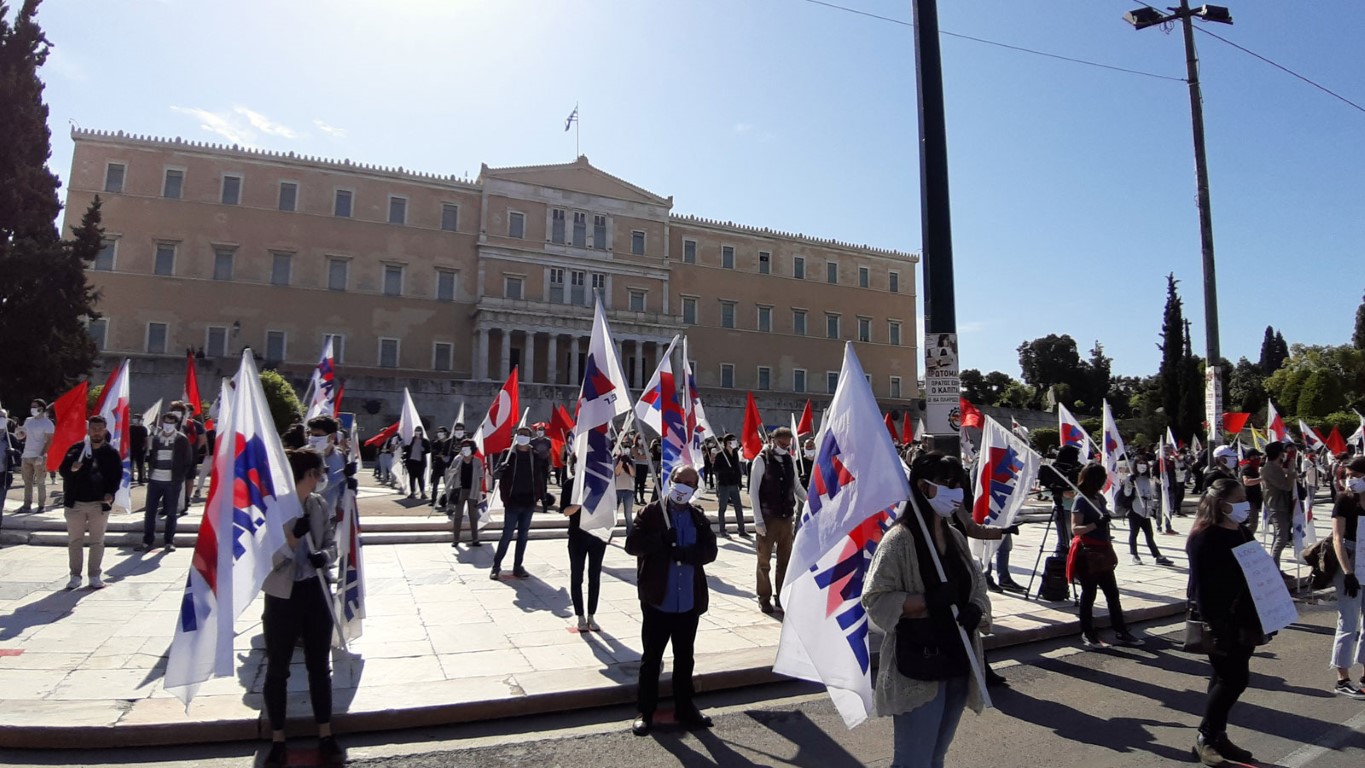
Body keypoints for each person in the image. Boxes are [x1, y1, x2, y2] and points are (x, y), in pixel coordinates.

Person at [862, 452, 991, 768]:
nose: (956, 492)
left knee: (936, 757)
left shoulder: (956, 537)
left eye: (958, 484)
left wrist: (976, 609)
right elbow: (876, 599)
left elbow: (978, 587)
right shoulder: (899, 540)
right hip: (919, 665)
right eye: (947, 483)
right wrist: (927, 600)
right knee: (913, 760)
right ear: (923, 486)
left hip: (958, 660)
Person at [261, 449, 342, 768]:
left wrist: (326, 557)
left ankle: (325, 733)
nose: (323, 477)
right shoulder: (275, 507)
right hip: (283, 595)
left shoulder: (318, 504)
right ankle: (278, 739)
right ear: (309, 474)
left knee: (319, 665)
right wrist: (293, 539)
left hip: (315, 592)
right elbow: (265, 557)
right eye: (320, 472)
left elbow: (332, 543)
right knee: (278, 667)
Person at [624, 465, 718, 737]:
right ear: (670, 481)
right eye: (679, 481)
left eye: (689, 484)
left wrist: (686, 554)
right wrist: (660, 540)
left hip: (687, 601)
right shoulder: (651, 513)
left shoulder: (697, 517)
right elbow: (632, 545)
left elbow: (710, 551)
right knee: (652, 658)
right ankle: (646, 711)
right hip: (658, 600)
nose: (683, 488)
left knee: (684, 657)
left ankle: (685, 707)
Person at [1187, 478, 1261, 765]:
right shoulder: (1204, 537)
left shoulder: (1242, 532)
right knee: (1235, 679)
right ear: (1222, 504)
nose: (1246, 504)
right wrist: (1214, 625)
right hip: (1219, 620)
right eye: (1239, 499)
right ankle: (1206, 737)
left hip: (1245, 617)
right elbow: (1200, 588)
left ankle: (1217, 736)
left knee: (1223, 678)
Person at [1068, 463, 1143, 648]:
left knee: (1112, 593)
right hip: (1088, 553)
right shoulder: (1081, 500)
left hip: (1103, 551)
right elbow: (1075, 529)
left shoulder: (1099, 498)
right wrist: (1096, 524)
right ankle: (1088, 632)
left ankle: (1121, 630)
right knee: (1089, 594)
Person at [57, 416, 123, 590]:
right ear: (88, 430)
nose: (96, 432)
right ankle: (75, 576)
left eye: (100, 429)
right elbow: (63, 470)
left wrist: (110, 493)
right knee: (75, 541)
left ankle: (94, 575)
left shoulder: (111, 453)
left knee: (97, 541)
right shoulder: (77, 449)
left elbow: (116, 476)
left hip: (98, 504)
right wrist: (72, 469)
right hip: (75, 504)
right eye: (93, 428)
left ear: (105, 430)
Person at [749, 427, 807, 614]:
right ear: (772, 440)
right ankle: (764, 597)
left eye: (787, 443)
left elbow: (796, 486)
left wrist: (810, 501)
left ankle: (781, 597)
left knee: (784, 561)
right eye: (781, 443)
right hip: (768, 518)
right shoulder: (761, 460)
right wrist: (758, 521)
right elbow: (753, 492)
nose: (785, 446)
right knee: (764, 561)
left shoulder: (790, 460)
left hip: (786, 518)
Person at [490, 426, 548, 580]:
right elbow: (496, 474)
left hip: (528, 502)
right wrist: (501, 469)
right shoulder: (508, 453)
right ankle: (496, 566)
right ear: (515, 436)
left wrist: (541, 497)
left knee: (523, 536)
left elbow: (539, 477)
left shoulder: (534, 455)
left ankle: (518, 566)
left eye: (526, 435)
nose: (523, 437)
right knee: (507, 535)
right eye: (520, 434)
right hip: (512, 501)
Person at [1328, 456, 1365, 699]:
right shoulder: (1344, 500)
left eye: (1356, 476)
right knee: (1348, 621)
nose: (1350, 480)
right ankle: (1342, 678)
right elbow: (1337, 538)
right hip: (1350, 559)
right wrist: (1348, 572)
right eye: (1348, 476)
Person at [561, 455, 607, 632]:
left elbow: (608, 508)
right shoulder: (570, 484)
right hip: (577, 537)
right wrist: (579, 503)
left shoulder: (601, 484)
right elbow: (566, 511)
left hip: (597, 537)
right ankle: (580, 615)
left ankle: (591, 615)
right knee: (577, 576)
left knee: (594, 577)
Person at [136, 412, 194, 553]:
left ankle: (169, 541)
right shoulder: (156, 438)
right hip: (155, 480)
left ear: (176, 424)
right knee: (150, 512)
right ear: (162, 423)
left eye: (171, 423)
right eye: (166, 422)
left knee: (171, 513)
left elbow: (187, 460)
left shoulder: (181, 439)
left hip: (172, 482)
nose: (168, 425)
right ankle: (147, 541)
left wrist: (179, 476)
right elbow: (151, 455)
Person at [1117, 457, 1173, 566]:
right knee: (1134, 533)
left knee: (1149, 534)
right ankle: (1134, 555)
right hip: (1135, 510)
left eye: (1144, 463)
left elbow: (1150, 494)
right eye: (1140, 463)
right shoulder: (1131, 478)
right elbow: (1127, 493)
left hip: (1146, 511)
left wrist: (1152, 509)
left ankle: (1157, 556)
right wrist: (1129, 483)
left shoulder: (1147, 478)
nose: (1142, 465)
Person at [1261, 441, 1298, 572]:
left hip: (1282, 504)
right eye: (1283, 452)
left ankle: (1275, 567)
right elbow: (1286, 486)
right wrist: (1291, 470)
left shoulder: (1276, 467)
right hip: (1276, 505)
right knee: (1282, 538)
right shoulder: (1270, 468)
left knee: (1279, 536)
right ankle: (1274, 570)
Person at [1040, 444, 1081, 555]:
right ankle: (1060, 560)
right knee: (1064, 541)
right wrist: (1062, 493)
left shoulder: (1078, 468)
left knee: (1077, 540)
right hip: (1063, 509)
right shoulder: (1055, 469)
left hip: (1078, 509)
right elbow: (1044, 490)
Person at [443, 438, 483, 547]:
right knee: (458, 515)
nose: (465, 449)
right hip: (459, 490)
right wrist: (453, 471)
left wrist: (479, 492)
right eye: (463, 447)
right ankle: (456, 539)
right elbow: (450, 473)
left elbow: (480, 477)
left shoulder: (477, 461)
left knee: (473, 516)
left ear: (472, 448)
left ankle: (475, 539)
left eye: (467, 447)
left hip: (473, 490)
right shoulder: (458, 459)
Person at [19, 398, 54, 512]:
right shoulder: (28, 421)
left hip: (39, 456)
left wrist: (41, 455)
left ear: (41, 408)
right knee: (27, 482)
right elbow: (23, 435)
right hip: (26, 455)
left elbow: (49, 441)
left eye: (35, 406)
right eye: (32, 406)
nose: (32, 409)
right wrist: (19, 433)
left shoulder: (47, 423)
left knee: (40, 482)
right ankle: (26, 505)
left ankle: (41, 505)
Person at [711, 433, 747, 537]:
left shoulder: (735, 453)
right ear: (728, 442)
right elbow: (715, 469)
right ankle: (722, 530)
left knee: (738, 507)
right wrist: (726, 470)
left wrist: (739, 482)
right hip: (724, 484)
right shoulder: (720, 455)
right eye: (733, 440)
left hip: (734, 484)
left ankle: (741, 530)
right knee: (722, 508)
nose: (735, 442)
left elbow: (737, 468)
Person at [402, 426, 431, 500]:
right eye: (416, 431)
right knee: (412, 478)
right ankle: (412, 492)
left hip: (420, 462)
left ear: (421, 432)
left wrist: (423, 449)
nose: (417, 432)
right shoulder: (412, 440)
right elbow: (408, 448)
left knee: (420, 478)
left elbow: (428, 450)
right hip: (411, 461)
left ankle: (423, 493)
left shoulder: (425, 441)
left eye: (419, 430)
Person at [1240, 450, 1264, 536]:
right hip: (1249, 499)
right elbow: (1247, 482)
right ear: (1251, 457)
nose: (1258, 458)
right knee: (1252, 522)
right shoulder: (1248, 467)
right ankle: (1246, 539)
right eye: (1256, 456)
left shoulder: (1253, 467)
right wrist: (1262, 478)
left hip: (1253, 498)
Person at [613, 449, 636, 536]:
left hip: (629, 490)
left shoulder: (632, 462)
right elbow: (617, 473)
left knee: (628, 514)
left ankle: (630, 533)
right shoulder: (615, 461)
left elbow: (633, 474)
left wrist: (628, 464)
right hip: (618, 490)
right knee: (614, 512)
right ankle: (609, 531)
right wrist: (621, 461)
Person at [428, 427, 450, 507]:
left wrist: (442, 455)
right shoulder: (435, 443)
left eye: (441, 431)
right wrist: (440, 454)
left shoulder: (449, 443)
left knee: (447, 484)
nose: (440, 433)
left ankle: (447, 500)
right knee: (435, 484)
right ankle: (433, 500)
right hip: (437, 466)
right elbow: (434, 452)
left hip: (446, 465)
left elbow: (448, 453)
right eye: (438, 431)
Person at [631, 433, 650, 505]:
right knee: (636, 483)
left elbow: (648, 456)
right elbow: (637, 457)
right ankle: (635, 498)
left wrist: (644, 456)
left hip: (644, 465)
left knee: (642, 482)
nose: (641, 440)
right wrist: (644, 456)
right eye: (639, 438)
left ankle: (642, 498)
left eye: (642, 438)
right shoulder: (634, 447)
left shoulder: (645, 447)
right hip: (637, 466)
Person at [128, 414, 148, 485]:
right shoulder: (130, 428)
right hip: (131, 448)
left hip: (140, 449)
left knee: (140, 465)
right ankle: (130, 477)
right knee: (130, 464)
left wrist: (144, 447)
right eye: (134, 418)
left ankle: (140, 478)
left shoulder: (143, 429)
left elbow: (146, 439)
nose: (135, 419)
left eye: (137, 418)